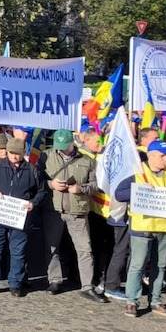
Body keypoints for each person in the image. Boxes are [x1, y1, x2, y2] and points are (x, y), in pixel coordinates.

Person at [114, 140, 166, 317]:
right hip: (143, 227)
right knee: (137, 265)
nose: (165, 159)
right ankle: (132, 301)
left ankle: (156, 301)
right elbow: (119, 194)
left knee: (160, 266)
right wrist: (137, 190)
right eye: (161, 155)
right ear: (150, 155)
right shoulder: (138, 174)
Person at [39, 129, 106, 302]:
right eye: (58, 146)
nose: (60, 149)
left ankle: (87, 286)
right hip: (54, 209)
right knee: (52, 247)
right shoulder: (46, 156)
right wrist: (51, 184)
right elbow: (37, 180)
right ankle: (54, 280)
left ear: (72, 143)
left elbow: (95, 185)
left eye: (63, 146)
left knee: (85, 249)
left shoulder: (88, 161)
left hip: (78, 211)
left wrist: (81, 189)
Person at [0, 137, 45, 297]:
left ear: (24, 153)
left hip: (19, 216)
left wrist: (33, 203)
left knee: (18, 251)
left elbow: (41, 191)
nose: (15, 156)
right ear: (7, 151)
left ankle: (16, 283)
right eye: (12, 153)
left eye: (18, 153)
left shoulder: (32, 170)